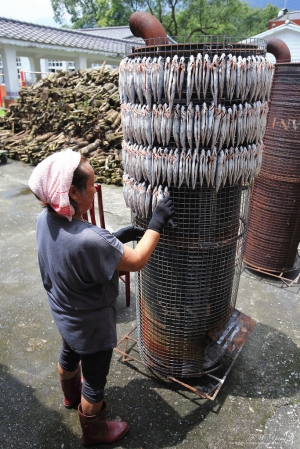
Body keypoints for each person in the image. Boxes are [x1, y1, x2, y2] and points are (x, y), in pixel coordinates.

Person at [28, 148, 175, 446]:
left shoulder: (45, 221)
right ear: (71, 191)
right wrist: (156, 222)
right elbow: (135, 261)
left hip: (66, 313)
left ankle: (70, 397)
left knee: (69, 355)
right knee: (94, 383)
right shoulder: (90, 239)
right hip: (92, 326)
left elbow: (75, 257)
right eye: (91, 187)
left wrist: (114, 240)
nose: (96, 192)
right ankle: (94, 432)